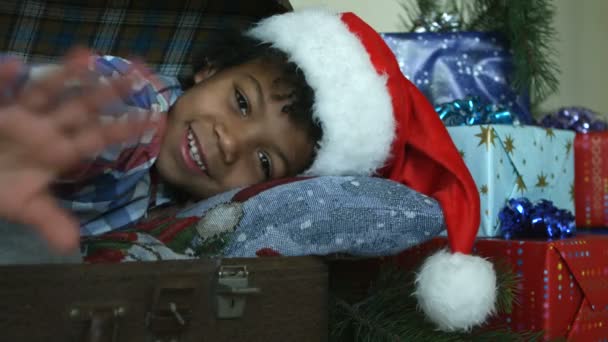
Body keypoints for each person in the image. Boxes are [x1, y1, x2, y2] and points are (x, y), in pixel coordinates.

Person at [0, 9, 496, 332]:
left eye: (264, 161)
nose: (230, 142)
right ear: (209, 67)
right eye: (240, 101)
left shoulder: (176, 206)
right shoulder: (136, 109)